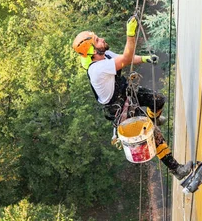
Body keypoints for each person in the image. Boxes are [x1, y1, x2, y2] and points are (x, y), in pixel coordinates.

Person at [72, 15, 193, 180]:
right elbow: (126, 58)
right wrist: (130, 33)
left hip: (126, 93)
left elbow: (125, 58)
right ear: (92, 50)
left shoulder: (105, 55)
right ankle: (177, 170)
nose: (103, 39)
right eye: (98, 40)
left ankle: (154, 118)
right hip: (121, 109)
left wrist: (144, 58)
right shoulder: (96, 69)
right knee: (154, 136)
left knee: (158, 100)